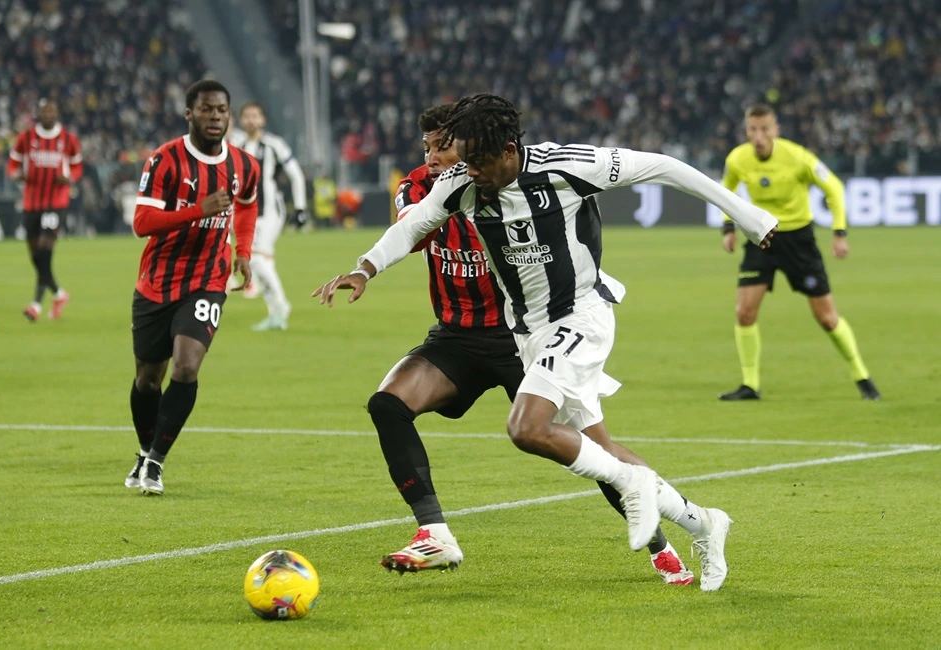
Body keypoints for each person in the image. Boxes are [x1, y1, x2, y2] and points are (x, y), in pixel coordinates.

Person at [315, 94, 778, 591]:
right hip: (518, 332)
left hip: (581, 316)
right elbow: (411, 227)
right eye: (461, 159)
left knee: (531, 429)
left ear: (510, 150)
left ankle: (647, 515)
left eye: (477, 161)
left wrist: (749, 218)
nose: (468, 171)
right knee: (589, 448)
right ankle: (703, 523)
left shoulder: (568, 166)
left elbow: (663, 166)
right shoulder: (460, 184)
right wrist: (363, 268)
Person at [367, 103, 693, 585]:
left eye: (444, 146)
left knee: (590, 448)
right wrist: (367, 263)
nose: (434, 156)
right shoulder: (423, 189)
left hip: (521, 336)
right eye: (428, 147)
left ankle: (662, 549)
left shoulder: (508, 185)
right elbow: (412, 230)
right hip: (455, 335)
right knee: (388, 404)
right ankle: (434, 533)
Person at [125, 80, 260, 495]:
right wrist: (197, 211)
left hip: (208, 279)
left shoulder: (243, 165)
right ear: (190, 114)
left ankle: (157, 464)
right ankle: (146, 451)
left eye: (221, 110)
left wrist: (243, 250)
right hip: (158, 282)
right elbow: (141, 224)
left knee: (186, 366)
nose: (215, 117)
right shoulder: (165, 161)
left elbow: (248, 203)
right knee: (148, 378)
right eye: (206, 110)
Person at [719, 104, 880, 401]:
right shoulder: (738, 158)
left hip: (798, 241)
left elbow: (833, 187)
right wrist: (727, 228)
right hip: (762, 238)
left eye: (764, 129)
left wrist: (839, 232)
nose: (758, 136)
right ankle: (749, 385)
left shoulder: (797, 157)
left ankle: (862, 377)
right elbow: (724, 190)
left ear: (776, 129)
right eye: (752, 130)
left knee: (827, 318)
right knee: (744, 312)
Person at [228, 102, 308, 330]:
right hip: (244, 211)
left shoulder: (274, 145)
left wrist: (300, 208)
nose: (251, 121)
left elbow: (296, 175)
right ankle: (275, 314)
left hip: (270, 211)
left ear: (263, 120)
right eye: (247, 116)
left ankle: (281, 305)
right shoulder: (236, 144)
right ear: (242, 121)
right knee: (263, 261)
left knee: (254, 257)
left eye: (256, 116)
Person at [6, 98, 82, 321]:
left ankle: (36, 305)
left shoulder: (68, 139)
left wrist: (69, 178)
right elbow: (12, 163)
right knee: (36, 256)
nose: (48, 115)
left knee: (45, 250)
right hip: (31, 203)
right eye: (45, 112)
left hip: (55, 203)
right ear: (38, 114)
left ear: (57, 114)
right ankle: (59, 293)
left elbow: (77, 166)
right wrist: (16, 175)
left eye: (52, 111)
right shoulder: (26, 138)